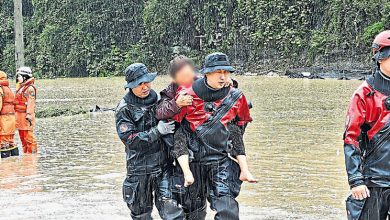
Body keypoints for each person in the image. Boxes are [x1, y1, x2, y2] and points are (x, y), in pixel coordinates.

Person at [172, 52, 252, 220]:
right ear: (207, 73)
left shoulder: (237, 96)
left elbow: (241, 124)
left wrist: (225, 140)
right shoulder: (186, 96)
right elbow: (175, 126)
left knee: (228, 211)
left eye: (226, 72)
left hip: (220, 161)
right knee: (193, 213)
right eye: (218, 72)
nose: (223, 77)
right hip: (193, 162)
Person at [156, 55, 257, 187]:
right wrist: (176, 104)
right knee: (180, 137)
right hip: (184, 136)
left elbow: (224, 97)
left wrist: (229, 82)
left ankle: (244, 169)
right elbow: (159, 112)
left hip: (210, 133)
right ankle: (187, 174)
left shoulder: (203, 81)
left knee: (234, 131)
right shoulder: (171, 90)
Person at [115, 63, 184, 220]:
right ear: (130, 86)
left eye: (147, 82)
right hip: (138, 169)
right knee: (141, 215)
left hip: (164, 166)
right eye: (140, 84)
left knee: (173, 212)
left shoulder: (161, 100)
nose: (145, 87)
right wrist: (157, 131)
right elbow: (130, 140)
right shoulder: (124, 109)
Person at [344, 30, 390, 219]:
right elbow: (351, 139)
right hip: (374, 181)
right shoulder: (364, 94)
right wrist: (356, 180)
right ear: (381, 58)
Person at [14, 67, 37, 154]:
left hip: (26, 117)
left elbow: (31, 103)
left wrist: (29, 116)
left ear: (25, 77)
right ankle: (26, 157)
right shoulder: (21, 88)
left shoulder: (30, 88)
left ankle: (32, 157)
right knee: (23, 139)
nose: (17, 78)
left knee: (29, 139)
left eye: (19, 76)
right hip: (19, 117)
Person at [0, 71, 17, 158]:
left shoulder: (0, 88)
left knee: (3, 142)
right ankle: (15, 162)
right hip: (12, 116)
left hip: (4, 117)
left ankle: (6, 167)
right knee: (11, 141)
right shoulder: (8, 88)